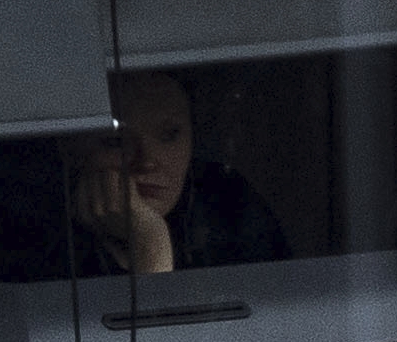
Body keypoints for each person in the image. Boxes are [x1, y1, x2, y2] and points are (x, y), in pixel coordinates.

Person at [61, 69, 289, 276]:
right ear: (73, 150)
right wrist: (150, 242)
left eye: (170, 135)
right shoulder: (39, 238)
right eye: (116, 142)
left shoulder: (229, 207)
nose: (147, 161)